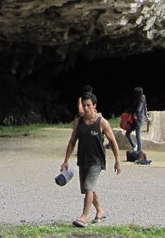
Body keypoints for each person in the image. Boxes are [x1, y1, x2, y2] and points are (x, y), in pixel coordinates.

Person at [60, 93, 121, 227]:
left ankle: (83, 217)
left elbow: (113, 141)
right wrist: (66, 161)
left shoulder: (102, 122)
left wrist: (118, 160)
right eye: (83, 105)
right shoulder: (78, 122)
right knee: (88, 188)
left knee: (88, 187)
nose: (85, 108)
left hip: (97, 161)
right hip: (83, 160)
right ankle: (100, 211)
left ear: (94, 106)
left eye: (88, 105)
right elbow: (72, 141)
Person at [125, 86, 148, 153]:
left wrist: (136, 116)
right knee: (128, 133)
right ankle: (134, 145)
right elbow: (145, 107)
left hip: (138, 119)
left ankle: (140, 150)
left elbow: (139, 109)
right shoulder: (142, 97)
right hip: (138, 118)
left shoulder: (140, 99)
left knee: (137, 135)